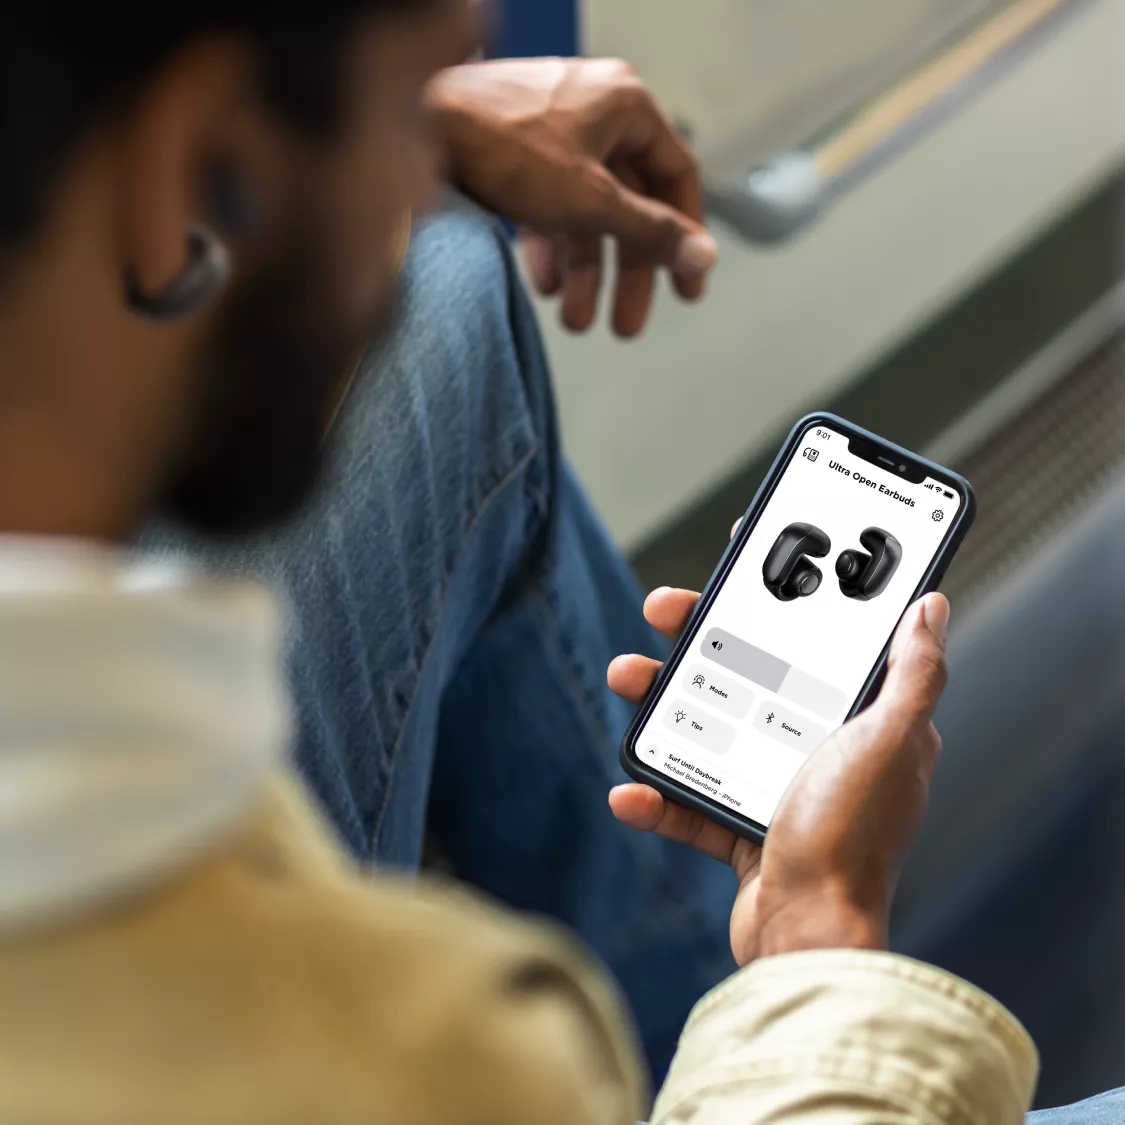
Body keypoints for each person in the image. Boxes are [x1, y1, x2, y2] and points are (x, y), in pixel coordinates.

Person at [0, 3, 1040, 1121]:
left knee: (447, 285)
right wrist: (815, 937)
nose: (423, 179)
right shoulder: (434, 1058)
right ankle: (735, 1030)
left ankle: (690, 983)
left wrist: (400, 122)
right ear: (200, 155)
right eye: (410, 106)